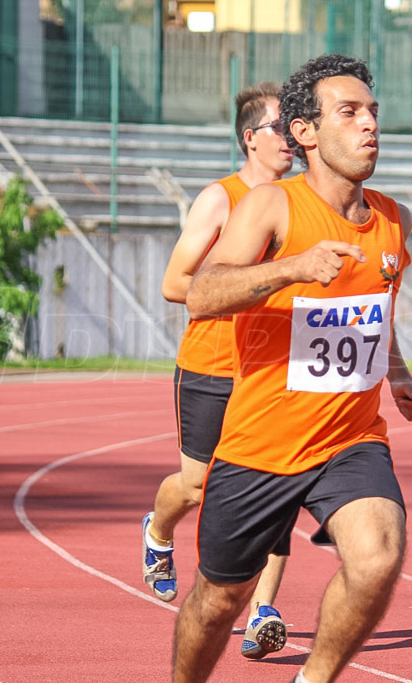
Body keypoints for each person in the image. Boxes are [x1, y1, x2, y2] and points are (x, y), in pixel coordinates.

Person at [174, 55, 412, 683]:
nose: (370, 124)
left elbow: (375, 311)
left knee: (378, 557)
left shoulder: (393, 218)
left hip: (351, 439)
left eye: (373, 112)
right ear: (306, 133)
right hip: (260, 445)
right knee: (219, 602)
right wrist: (290, 267)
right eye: (349, 112)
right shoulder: (271, 206)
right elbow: (202, 294)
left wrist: (397, 372)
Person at [143, 82, 295, 659]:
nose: (290, 138)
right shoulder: (220, 198)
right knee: (198, 485)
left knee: (280, 483)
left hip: (273, 368)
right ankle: (158, 532)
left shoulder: (302, 200)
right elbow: (173, 283)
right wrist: (249, 288)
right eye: (281, 128)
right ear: (251, 138)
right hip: (210, 364)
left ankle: (264, 611)